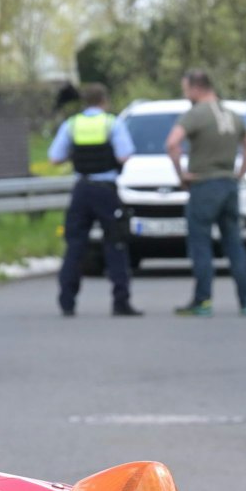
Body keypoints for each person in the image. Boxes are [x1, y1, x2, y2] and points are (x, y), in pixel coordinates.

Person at [165, 68, 246, 317]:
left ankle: (203, 301)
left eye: (186, 89)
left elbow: (172, 143)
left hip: (203, 185)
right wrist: (239, 172)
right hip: (229, 185)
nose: (186, 95)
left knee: (200, 244)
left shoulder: (195, 115)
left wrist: (181, 174)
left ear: (196, 88)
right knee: (234, 244)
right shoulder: (232, 115)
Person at [49, 83, 141, 317]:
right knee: (116, 243)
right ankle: (121, 301)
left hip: (81, 189)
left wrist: (76, 154)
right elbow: (124, 154)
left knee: (75, 244)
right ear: (104, 101)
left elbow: (54, 158)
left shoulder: (72, 124)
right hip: (106, 190)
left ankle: (67, 301)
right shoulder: (112, 123)